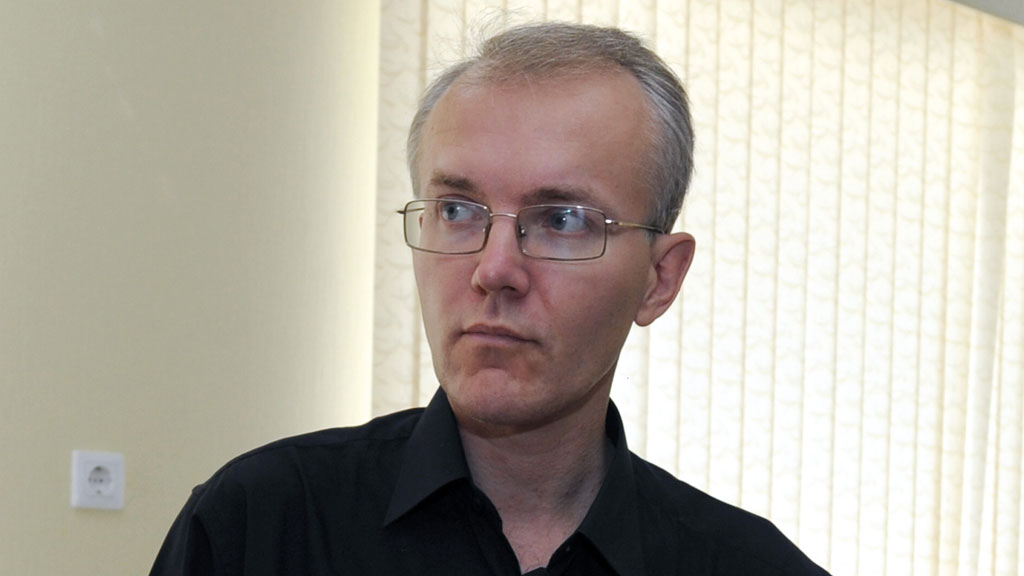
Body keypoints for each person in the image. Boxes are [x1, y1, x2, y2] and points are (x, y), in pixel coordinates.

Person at [151, 21, 831, 576]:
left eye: (563, 219)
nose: (494, 268)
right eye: (456, 210)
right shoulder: (258, 528)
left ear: (660, 279)